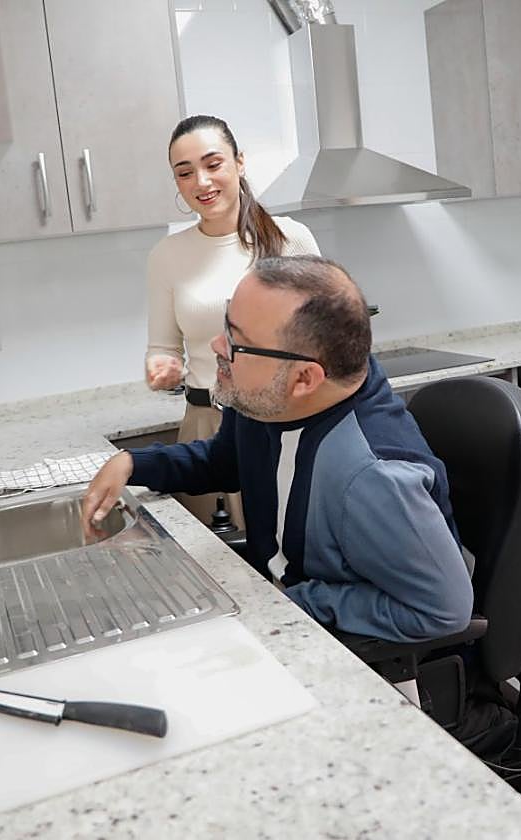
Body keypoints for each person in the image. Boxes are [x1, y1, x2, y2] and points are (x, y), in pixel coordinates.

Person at [84, 255, 473, 643]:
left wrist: (297, 601)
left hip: (338, 650)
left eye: (238, 341)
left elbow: (444, 610)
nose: (218, 346)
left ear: (304, 377)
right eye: (226, 325)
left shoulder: (373, 476)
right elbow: (226, 461)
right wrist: (135, 463)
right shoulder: (268, 399)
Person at [145, 114, 320, 526]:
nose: (201, 182)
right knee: (206, 570)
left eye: (213, 164)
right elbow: (163, 345)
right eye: (185, 173)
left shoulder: (288, 238)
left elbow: (325, 339)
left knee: (277, 563)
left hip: (277, 424)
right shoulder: (166, 256)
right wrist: (161, 365)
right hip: (202, 425)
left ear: (239, 162)